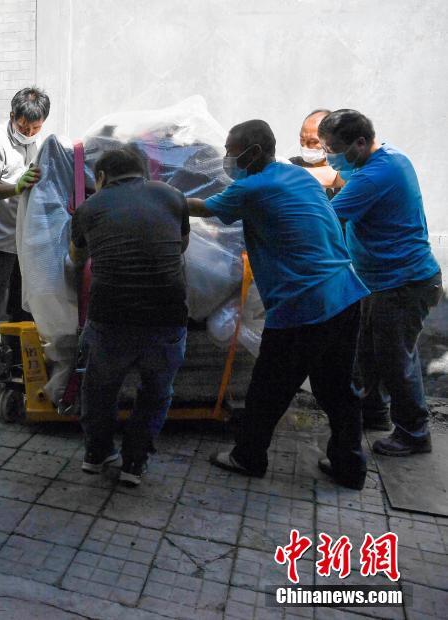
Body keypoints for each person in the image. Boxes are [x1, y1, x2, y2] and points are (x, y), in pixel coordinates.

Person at [186, 120, 370, 490]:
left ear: (252, 152)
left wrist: (157, 195)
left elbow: (201, 208)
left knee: (268, 388)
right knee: (336, 389)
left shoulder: (253, 187)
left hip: (304, 303)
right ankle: (350, 466)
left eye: (230, 150)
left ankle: (248, 457)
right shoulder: (298, 177)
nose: (226, 158)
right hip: (346, 293)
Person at [319, 109, 443, 455]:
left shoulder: (372, 177)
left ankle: (415, 434)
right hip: (384, 280)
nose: (330, 157)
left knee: (395, 361)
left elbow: (327, 218)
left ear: (360, 142)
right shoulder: (391, 157)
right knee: (368, 351)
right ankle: (375, 414)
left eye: (333, 149)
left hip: (403, 283)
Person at [69, 147, 189, 486]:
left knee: (100, 388)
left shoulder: (89, 207)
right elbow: (180, 246)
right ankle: (134, 463)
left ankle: (96, 453)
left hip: (111, 316)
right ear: (144, 173)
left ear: (102, 178)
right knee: (156, 391)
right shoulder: (174, 197)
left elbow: (77, 257)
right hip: (167, 314)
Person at [0, 86, 50, 374]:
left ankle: (18, 369)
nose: (28, 132)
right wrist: (17, 187)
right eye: (23, 126)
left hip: (26, 244)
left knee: (24, 309)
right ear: (12, 116)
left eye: (35, 127)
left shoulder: (42, 143)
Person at [288, 109, 344, 199]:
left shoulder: (348, 168)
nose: (305, 146)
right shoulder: (294, 164)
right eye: (302, 139)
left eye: (313, 141)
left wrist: (288, 172)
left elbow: (337, 176)